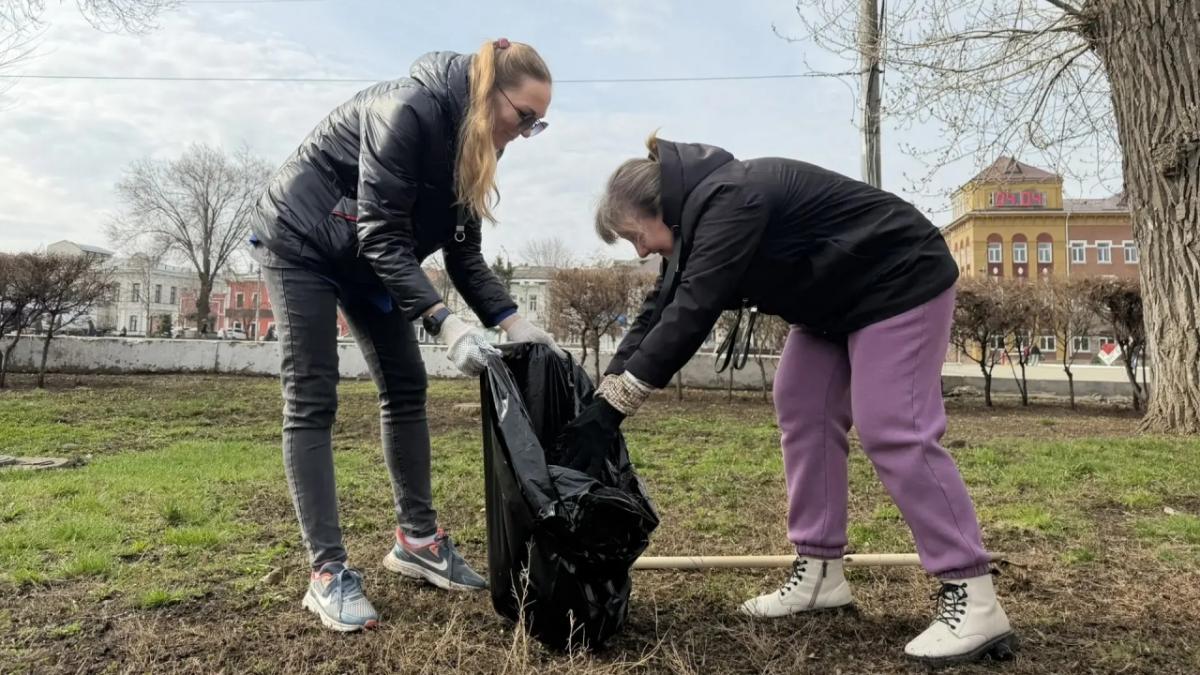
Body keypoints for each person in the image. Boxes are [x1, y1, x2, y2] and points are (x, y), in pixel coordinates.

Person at [559, 136, 1014, 664]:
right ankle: (820, 573)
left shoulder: (733, 197)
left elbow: (694, 308)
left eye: (637, 236)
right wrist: (602, 398)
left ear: (657, 206)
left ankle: (973, 594)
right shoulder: (698, 220)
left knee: (893, 427)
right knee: (801, 405)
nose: (640, 251)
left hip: (899, 278)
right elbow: (661, 306)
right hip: (831, 303)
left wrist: (619, 406)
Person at [249, 39, 563, 632]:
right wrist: (444, 322)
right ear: (487, 89)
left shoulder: (473, 147)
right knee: (313, 397)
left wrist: (515, 323)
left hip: (369, 254)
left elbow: (464, 259)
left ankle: (417, 541)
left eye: (536, 124)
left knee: (405, 385)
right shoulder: (408, 112)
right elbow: (382, 235)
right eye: (523, 116)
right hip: (304, 240)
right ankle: (327, 573)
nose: (524, 133)